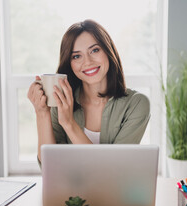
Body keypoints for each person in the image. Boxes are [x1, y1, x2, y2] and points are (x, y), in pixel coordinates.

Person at [28, 19, 150, 162]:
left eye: (94, 50)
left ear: (108, 51)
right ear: (70, 63)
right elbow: (49, 166)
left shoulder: (136, 104)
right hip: (70, 185)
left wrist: (69, 124)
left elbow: (112, 169)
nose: (87, 62)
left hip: (114, 185)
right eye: (77, 56)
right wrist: (41, 113)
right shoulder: (62, 101)